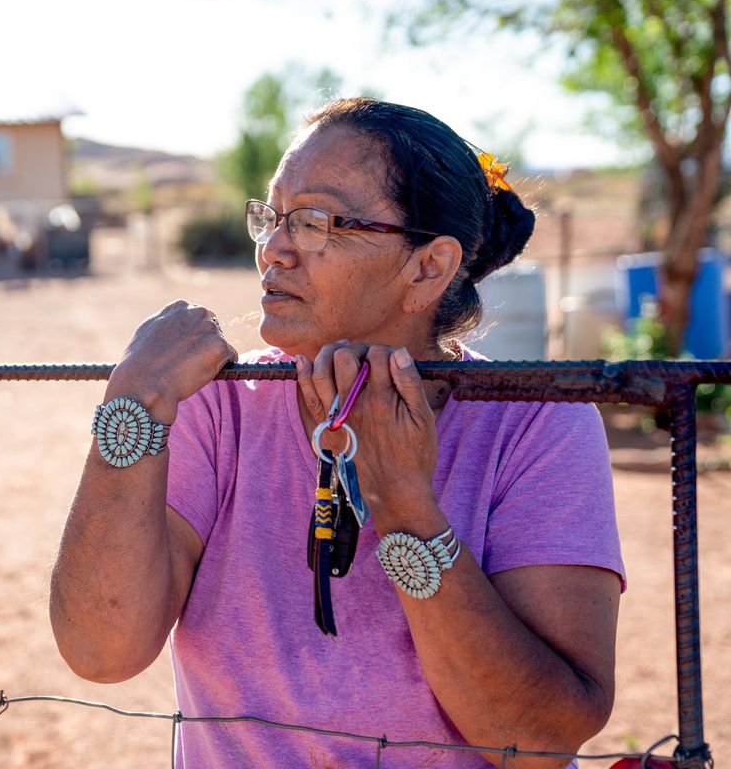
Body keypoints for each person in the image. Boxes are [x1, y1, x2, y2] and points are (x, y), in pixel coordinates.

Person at [49, 98, 624, 768]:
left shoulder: (537, 423)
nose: (275, 249)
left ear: (428, 268)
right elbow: (100, 651)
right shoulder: (220, 405)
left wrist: (404, 503)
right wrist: (130, 412)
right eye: (272, 217)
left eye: (317, 221)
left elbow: (541, 739)